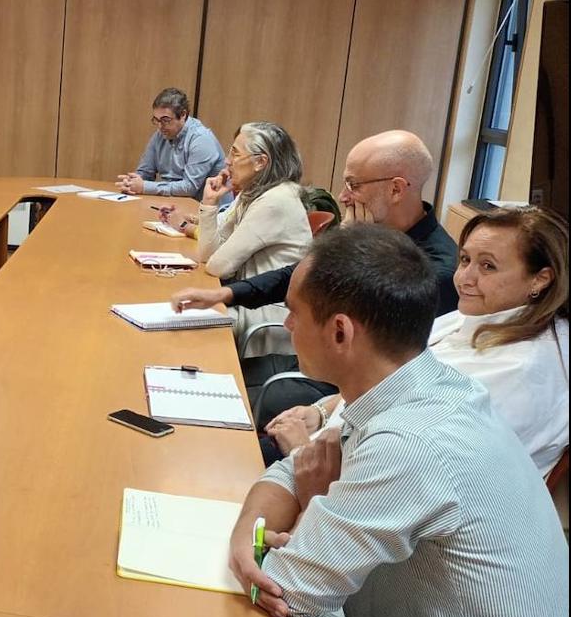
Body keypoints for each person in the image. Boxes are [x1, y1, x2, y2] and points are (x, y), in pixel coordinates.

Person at [227, 224, 568, 617]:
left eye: (294, 313)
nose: (287, 326)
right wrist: (248, 530)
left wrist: (307, 507)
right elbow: (297, 468)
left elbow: (289, 591)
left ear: (341, 332)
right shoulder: (414, 383)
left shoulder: (410, 442)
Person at [172, 130, 459, 418]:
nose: (342, 196)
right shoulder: (377, 230)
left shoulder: (435, 271)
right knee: (205, 380)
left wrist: (349, 246)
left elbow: (373, 361)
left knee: (216, 410)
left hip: (340, 394)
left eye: (354, 185)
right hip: (308, 362)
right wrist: (226, 293)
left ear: (396, 189)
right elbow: (295, 275)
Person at [266, 206, 569, 475]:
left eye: (487, 266)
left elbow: (408, 460)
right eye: (465, 260)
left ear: (540, 279)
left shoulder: (523, 370)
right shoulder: (472, 316)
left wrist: (301, 450)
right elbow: (389, 381)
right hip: (337, 453)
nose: (465, 277)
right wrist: (321, 412)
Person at [197, 122, 311, 352]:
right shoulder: (252, 192)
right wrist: (209, 204)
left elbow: (218, 266)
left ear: (260, 162)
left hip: (264, 316)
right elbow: (207, 255)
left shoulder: (277, 200)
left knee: (187, 328)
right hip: (244, 303)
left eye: (235, 153)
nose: (227, 161)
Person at [115, 87, 227, 201]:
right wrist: (131, 183)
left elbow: (189, 188)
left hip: (208, 210)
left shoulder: (201, 139)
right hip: (175, 203)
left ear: (183, 114)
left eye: (165, 120)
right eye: (156, 120)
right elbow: (145, 172)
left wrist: (144, 187)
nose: (160, 126)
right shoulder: (160, 134)